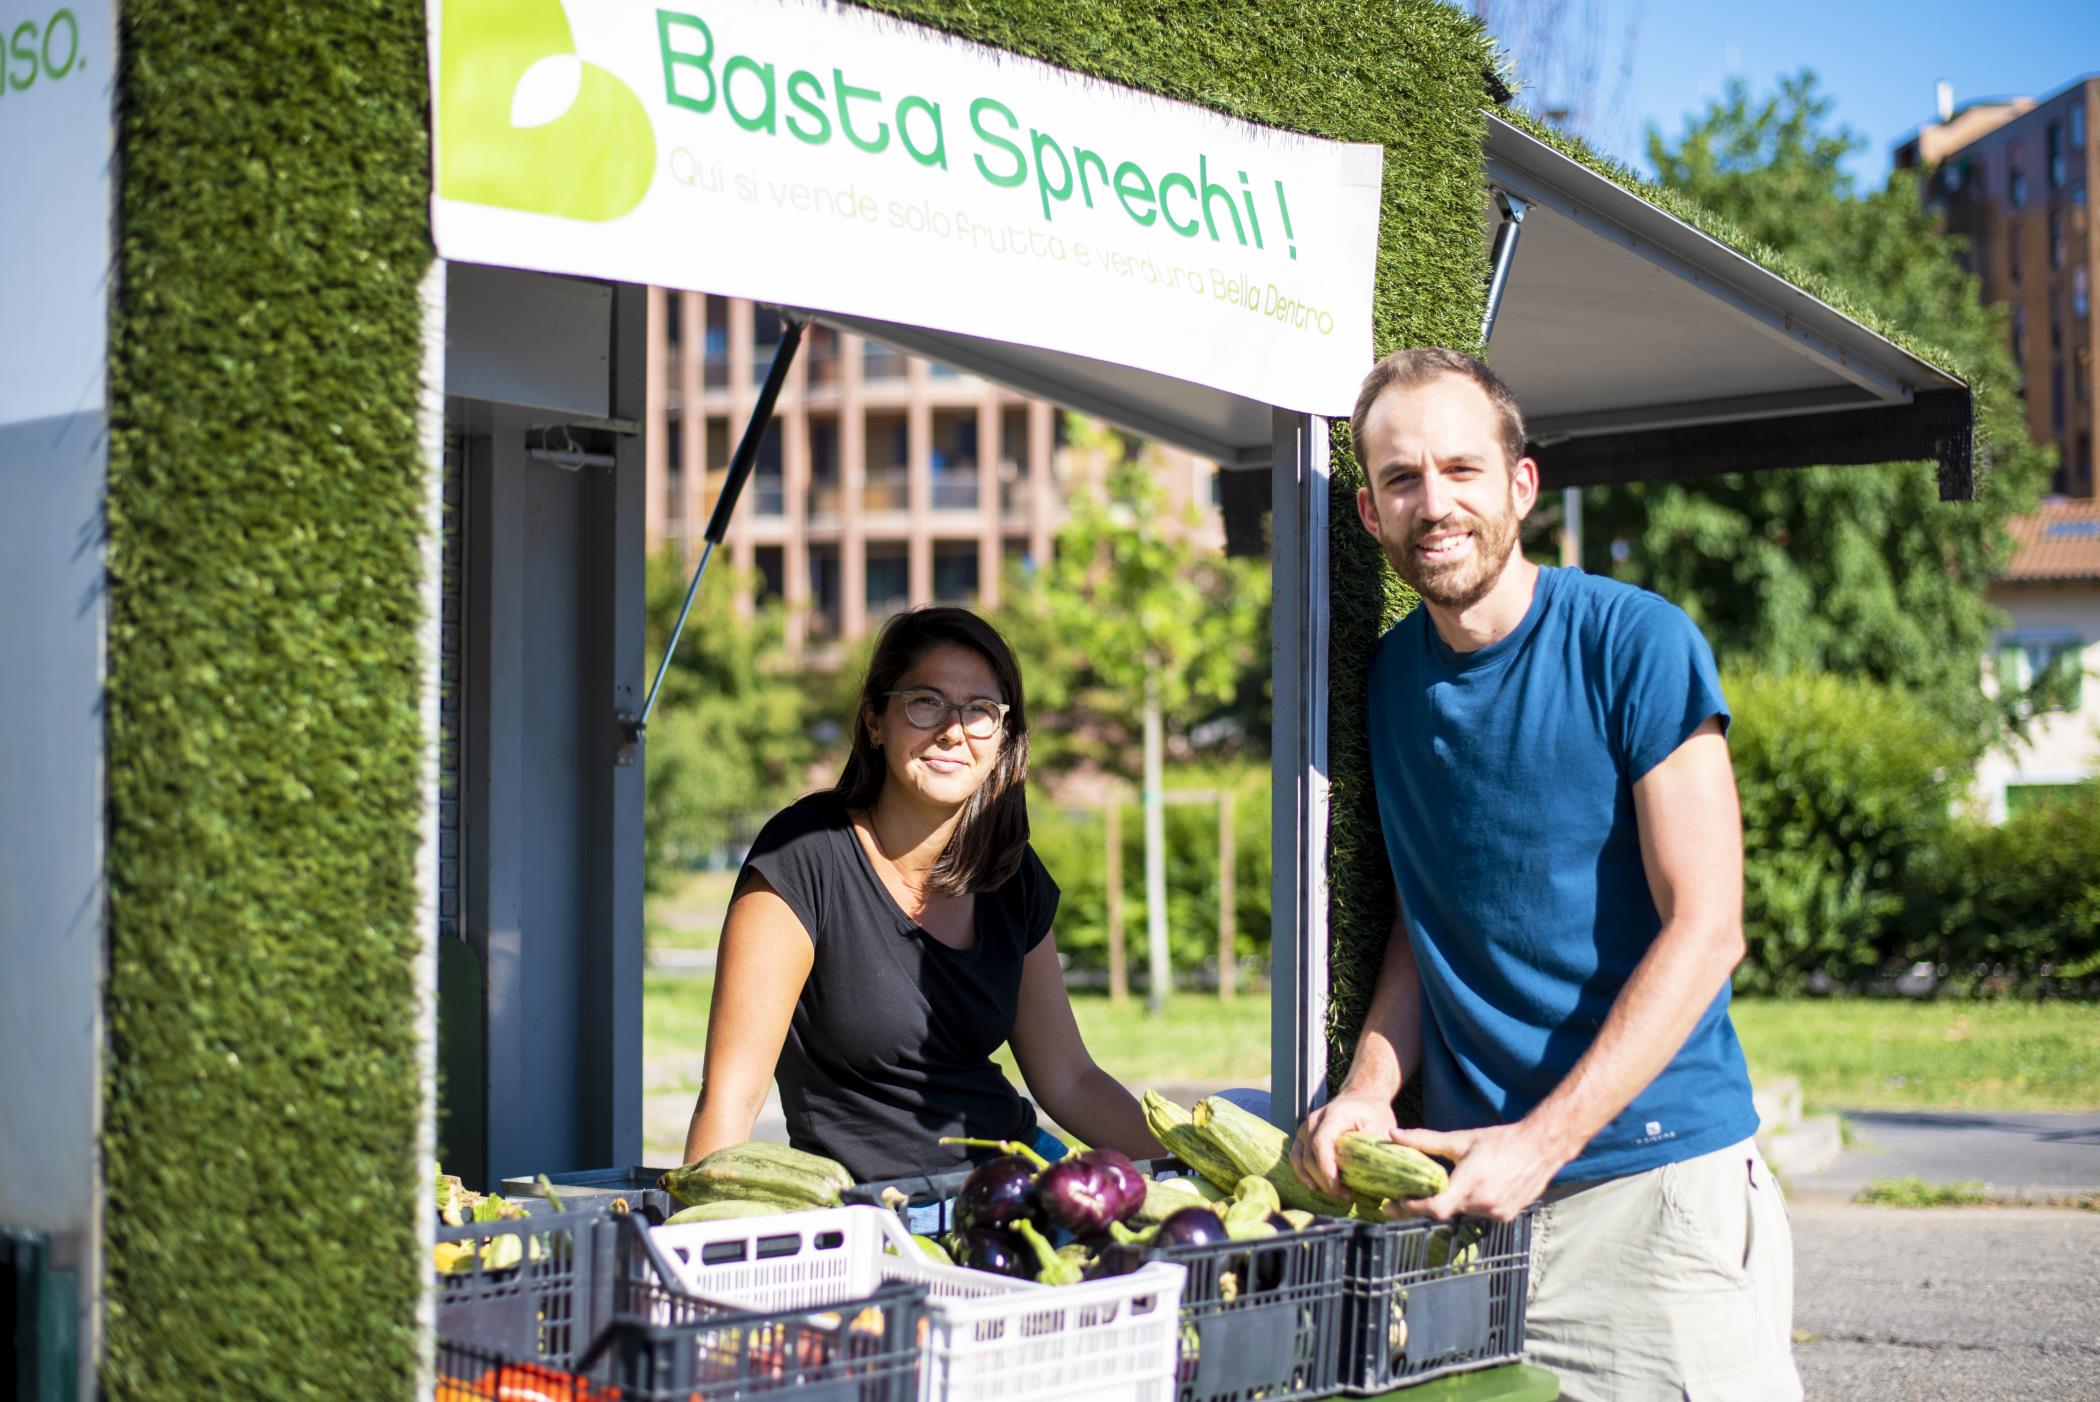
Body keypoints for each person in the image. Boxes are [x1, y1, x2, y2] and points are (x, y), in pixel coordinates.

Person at [1292, 348, 1801, 1400]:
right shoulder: (1391, 680)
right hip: (1473, 1213)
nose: (1434, 503)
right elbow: (1427, 922)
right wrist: (1368, 1090)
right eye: (1401, 479)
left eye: (1462, 470)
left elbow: (1709, 924)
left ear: (1521, 484)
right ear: (1368, 514)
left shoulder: (1637, 642)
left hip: (1651, 1194)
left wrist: (1541, 1141)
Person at [681, 605, 1165, 1184]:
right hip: (875, 1222)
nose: (953, 730)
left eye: (981, 710)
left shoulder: (1011, 874)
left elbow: (1070, 1080)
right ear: (875, 720)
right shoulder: (806, 855)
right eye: (926, 702)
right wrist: (696, 1239)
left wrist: (1192, 1162)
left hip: (1015, 1186)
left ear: (1003, 735)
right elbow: (732, 1098)